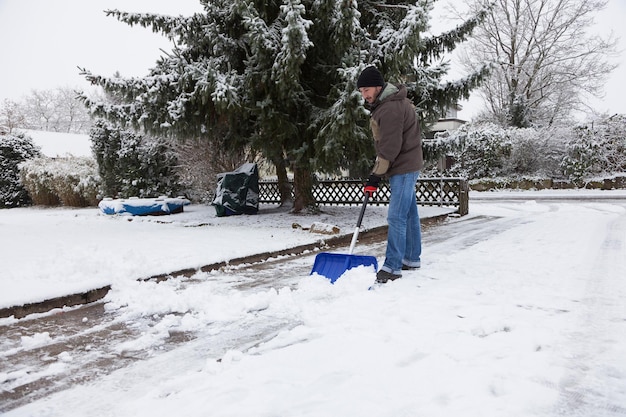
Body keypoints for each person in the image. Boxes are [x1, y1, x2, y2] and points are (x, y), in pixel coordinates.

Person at [356, 65, 424, 283]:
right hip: (406, 164)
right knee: (409, 214)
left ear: (378, 86)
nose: (364, 95)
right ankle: (412, 258)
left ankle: (392, 266)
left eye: (366, 89)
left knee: (396, 216)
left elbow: (390, 148)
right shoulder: (388, 104)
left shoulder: (390, 108)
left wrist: (375, 176)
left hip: (403, 167)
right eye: (361, 91)